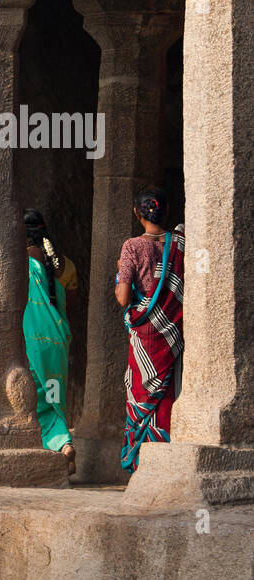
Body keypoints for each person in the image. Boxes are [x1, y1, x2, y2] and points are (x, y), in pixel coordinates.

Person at [116, 188, 184, 472]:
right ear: (165, 212)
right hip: (172, 332)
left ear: (137, 213)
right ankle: (165, 459)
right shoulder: (180, 243)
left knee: (141, 391)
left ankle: (141, 463)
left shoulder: (132, 246)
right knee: (168, 391)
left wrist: (120, 272)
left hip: (145, 335)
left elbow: (122, 297)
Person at [22, 209, 76, 471]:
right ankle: (64, 444)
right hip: (58, 344)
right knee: (55, 397)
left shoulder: (18, 266)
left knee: (38, 399)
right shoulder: (61, 265)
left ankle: (58, 445)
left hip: (33, 342)